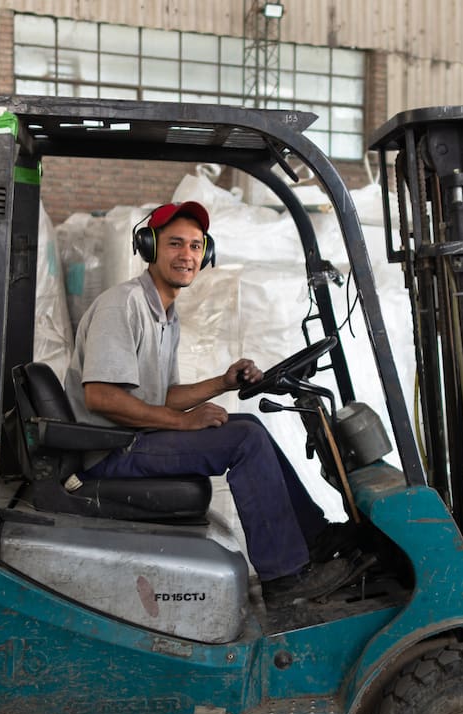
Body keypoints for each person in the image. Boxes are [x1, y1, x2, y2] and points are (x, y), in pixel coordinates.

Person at [63, 201, 353, 603]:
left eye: (196, 246)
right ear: (150, 246)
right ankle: (284, 579)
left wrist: (223, 382)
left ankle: (317, 537)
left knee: (248, 426)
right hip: (112, 451)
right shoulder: (123, 304)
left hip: (134, 437)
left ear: (207, 253)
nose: (187, 255)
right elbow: (101, 396)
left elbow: (159, 396)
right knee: (243, 441)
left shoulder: (164, 312)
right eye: (175, 244)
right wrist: (183, 422)